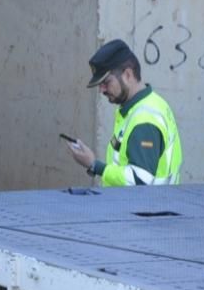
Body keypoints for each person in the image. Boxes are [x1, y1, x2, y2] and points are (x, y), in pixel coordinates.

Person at [66, 39, 183, 186]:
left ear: (128, 74)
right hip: (146, 205)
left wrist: (94, 165)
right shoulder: (149, 104)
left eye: (106, 82)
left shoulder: (144, 120)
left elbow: (140, 180)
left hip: (146, 207)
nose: (101, 90)